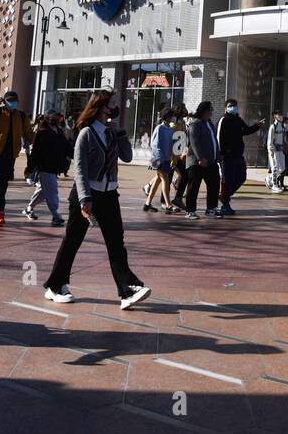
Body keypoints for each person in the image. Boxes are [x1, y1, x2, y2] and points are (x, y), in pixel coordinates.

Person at [42, 89, 150, 310]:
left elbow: (127, 157)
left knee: (116, 242)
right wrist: (85, 199)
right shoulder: (86, 133)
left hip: (109, 194)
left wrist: (120, 132)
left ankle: (127, 289)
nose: (115, 107)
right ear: (101, 107)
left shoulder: (111, 132)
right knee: (73, 240)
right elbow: (79, 169)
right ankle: (55, 286)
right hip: (87, 194)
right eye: (111, 103)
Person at [0, 89, 35, 226]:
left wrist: (33, 142)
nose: (12, 103)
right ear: (4, 101)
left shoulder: (21, 116)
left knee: (3, 182)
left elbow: (28, 132)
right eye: (10, 101)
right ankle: (0, 213)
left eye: (15, 101)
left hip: (11, 153)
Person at [217, 98, 262, 216]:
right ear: (226, 107)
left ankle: (224, 196)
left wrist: (257, 126)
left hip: (238, 155)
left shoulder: (238, 119)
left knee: (242, 177)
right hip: (226, 156)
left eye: (235, 105)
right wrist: (221, 153)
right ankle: (225, 205)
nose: (233, 107)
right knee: (227, 180)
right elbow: (218, 138)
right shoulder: (223, 120)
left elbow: (246, 130)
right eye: (230, 106)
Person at [23, 112, 69, 225]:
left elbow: (66, 147)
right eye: (54, 118)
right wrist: (29, 169)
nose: (57, 120)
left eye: (58, 118)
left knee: (43, 191)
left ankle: (29, 208)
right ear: (48, 119)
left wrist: (76, 155)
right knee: (52, 191)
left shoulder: (59, 132)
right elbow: (35, 153)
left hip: (54, 167)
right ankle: (56, 215)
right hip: (45, 167)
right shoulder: (42, 133)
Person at [183, 101, 220, 219]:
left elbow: (214, 141)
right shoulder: (195, 124)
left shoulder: (208, 123)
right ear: (203, 111)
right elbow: (194, 142)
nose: (211, 112)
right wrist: (200, 158)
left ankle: (211, 209)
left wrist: (218, 156)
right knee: (193, 187)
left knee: (214, 184)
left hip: (211, 162)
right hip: (197, 162)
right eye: (210, 110)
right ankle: (190, 211)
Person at [144, 106, 177, 214]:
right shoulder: (159, 128)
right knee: (165, 180)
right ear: (167, 117)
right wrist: (159, 159)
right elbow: (155, 145)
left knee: (158, 180)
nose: (173, 118)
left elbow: (172, 144)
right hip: (159, 159)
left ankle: (147, 203)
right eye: (171, 116)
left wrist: (172, 156)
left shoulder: (171, 130)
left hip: (166, 159)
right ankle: (168, 205)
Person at [266, 110, 288, 192]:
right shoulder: (273, 127)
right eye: (279, 115)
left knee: (282, 169)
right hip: (274, 150)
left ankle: (269, 178)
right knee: (275, 167)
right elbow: (270, 140)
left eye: (282, 115)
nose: (281, 117)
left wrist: (285, 145)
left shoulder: (282, 127)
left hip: (280, 150)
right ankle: (274, 186)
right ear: (275, 116)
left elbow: (283, 139)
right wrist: (271, 150)